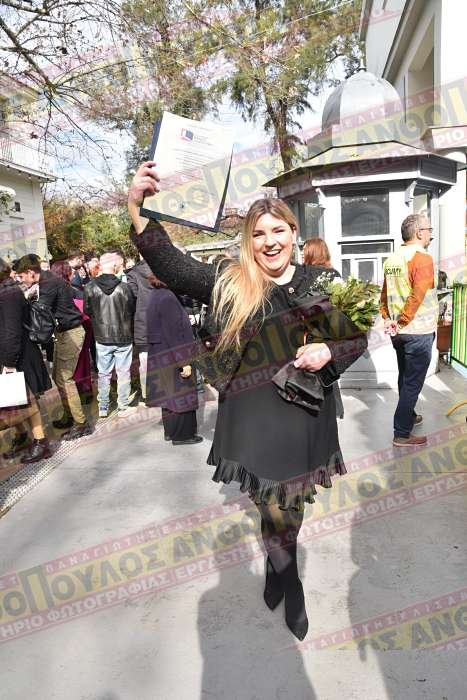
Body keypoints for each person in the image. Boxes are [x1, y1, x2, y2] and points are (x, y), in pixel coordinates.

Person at [127, 161, 367, 640]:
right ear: (248, 240)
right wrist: (136, 208)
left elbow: (355, 337)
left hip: (304, 411)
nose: (269, 242)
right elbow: (172, 265)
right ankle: (292, 583)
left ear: (294, 233)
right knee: (269, 504)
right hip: (251, 414)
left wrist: (328, 350)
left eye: (278, 230)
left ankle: (278, 571)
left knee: (290, 505)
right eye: (259, 234)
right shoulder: (232, 281)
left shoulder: (321, 282)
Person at [15, 254, 93, 441]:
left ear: (30, 272)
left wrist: (25, 299)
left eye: (22, 276)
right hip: (64, 333)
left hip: (70, 333)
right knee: (59, 378)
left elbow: (40, 311)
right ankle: (70, 416)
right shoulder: (47, 281)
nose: (21, 280)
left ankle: (81, 423)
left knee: (66, 380)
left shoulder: (48, 284)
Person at [380, 213, 437, 447]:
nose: (431, 234)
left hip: (399, 332)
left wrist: (388, 318)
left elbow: (384, 294)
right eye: (429, 230)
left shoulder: (392, 259)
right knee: (413, 383)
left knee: (405, 376)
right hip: (417, 330)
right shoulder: (422, 258)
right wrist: (402, 320)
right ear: (419, 233)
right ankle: (402, 433)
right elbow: (417, 295)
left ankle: (409, 415)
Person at [0, 258, 52, 463]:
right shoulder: (6, 290)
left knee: (26, 401)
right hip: (11, 353)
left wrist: (9, 363)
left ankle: (41, 442)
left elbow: (12, 331)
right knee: (11, 400)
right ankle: (22, 437)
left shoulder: (9, 294)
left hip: (17, 355)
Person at [146, 273, 202, 445]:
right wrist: (184, 362)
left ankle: (171, 432)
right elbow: (175, 334)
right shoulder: (168, 298)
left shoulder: (156, 294)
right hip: (172, 355)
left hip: (162, 353)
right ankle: (182, 435)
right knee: (180, 393)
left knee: (169, 396)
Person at [84, 252, 136, 418]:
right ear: (114, 266)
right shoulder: (125, 287)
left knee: (104, 373)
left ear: (100, 265)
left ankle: (103, 407)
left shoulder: (90, 287)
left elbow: (87, 310)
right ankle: (123, 406)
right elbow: (131, 310)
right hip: (123, 336)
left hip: (102, 336)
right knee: (123, 372)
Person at [50, 261, 94, 405]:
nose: (74, 274)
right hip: (80, 329)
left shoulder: (55, 291)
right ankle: (85, 392)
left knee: (71, 368)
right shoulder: (71, 290)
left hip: (68, 332)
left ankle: (80, 395)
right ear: (67, 273)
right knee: (81, 363)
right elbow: (84, 309)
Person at [126, 255, 154, 405]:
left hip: (143, 321)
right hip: (163, 316)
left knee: (145, 360)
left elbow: (132, 297)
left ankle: (147, 394)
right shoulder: (162, 268)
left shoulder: (133, 273)